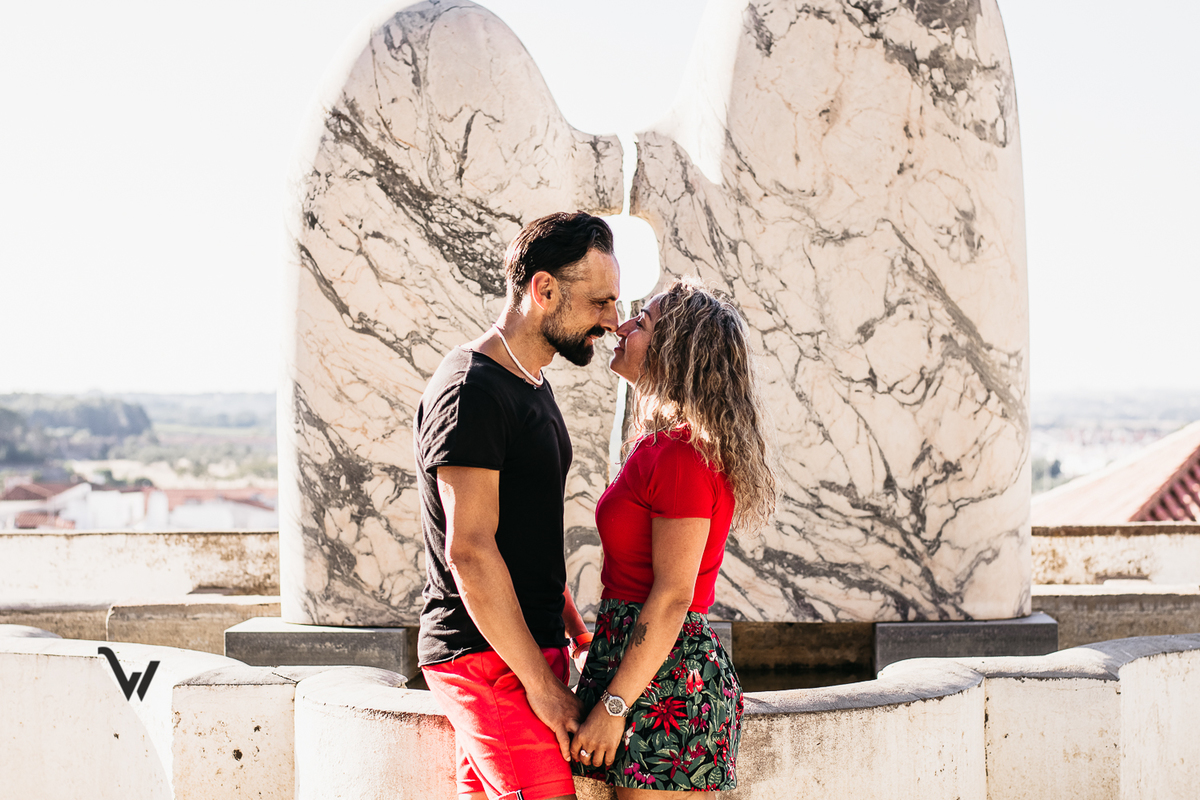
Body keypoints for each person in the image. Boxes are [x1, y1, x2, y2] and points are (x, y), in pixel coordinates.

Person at [414, 211, 620, 800]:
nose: (611, 322)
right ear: (544, 289)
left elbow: (524, 539)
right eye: (599, 303)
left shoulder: (530, 384)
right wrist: (541, 684)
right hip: (488, 658)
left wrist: (576, 635)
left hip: (521, 648)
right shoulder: (470, 391)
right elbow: (472, 552)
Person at [571, 278, 777, 796]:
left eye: (641, 324)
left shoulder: (681, 454)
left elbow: (672, 596)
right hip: (646, 668)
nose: (622, 327)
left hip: (665, 682)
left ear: (673, 351)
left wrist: (615, 705)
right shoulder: (665, 447)